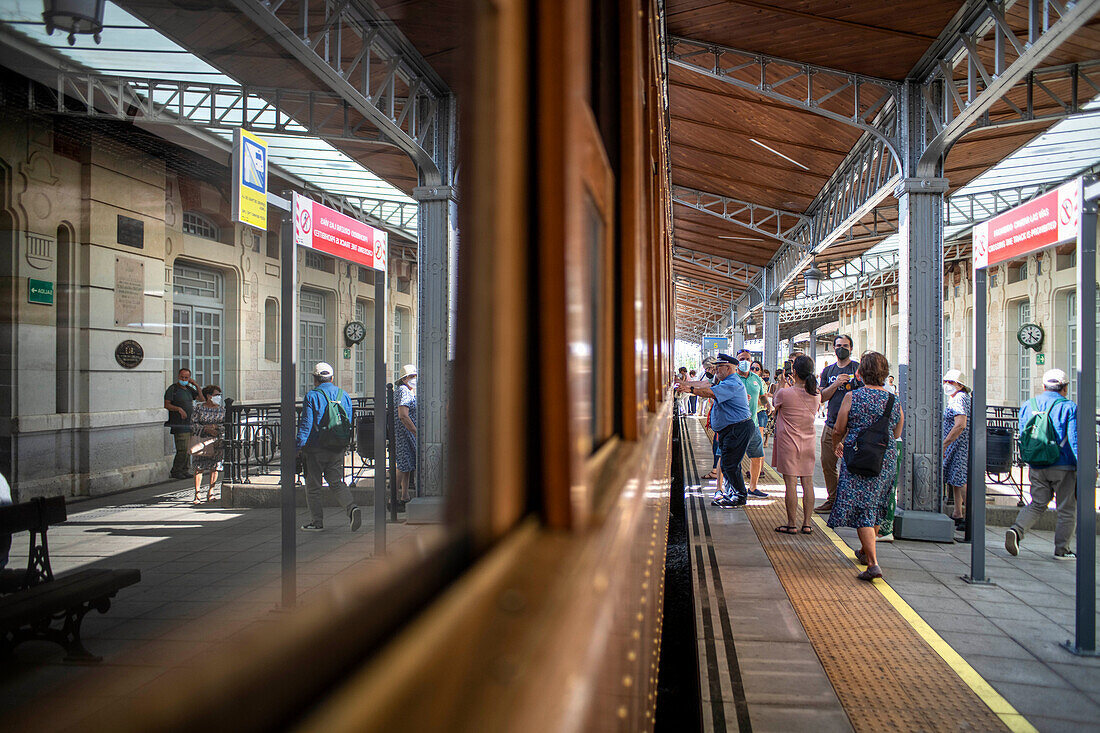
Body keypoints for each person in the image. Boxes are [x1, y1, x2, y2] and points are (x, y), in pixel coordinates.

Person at [828, 351, 903, 581]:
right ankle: (864, 551)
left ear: (859, 373)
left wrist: (837, 445)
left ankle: (873, 563)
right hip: (886, 458)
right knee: (877, 503)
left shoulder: (853, 397)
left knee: (863, 509)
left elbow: (839, 428)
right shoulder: (893, 399)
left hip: (859, 456)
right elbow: (897, 431)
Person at [1005, 369, 1079, 560]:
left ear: (1044, 386)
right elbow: (1074, 439)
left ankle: (1017, 530)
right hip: (1063, 465)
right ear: (1064, 388)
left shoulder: (1029, 404)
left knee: (1038, 503)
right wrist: (1084, 465)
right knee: (1066, 509)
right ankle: (1062, 550)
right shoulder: (1069, 407)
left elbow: (1023, 433)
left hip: (1037, 464)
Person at [678, 354, 756, 508]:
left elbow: (710, 392)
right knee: (730, 463)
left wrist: (689, 388)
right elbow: (708, 387)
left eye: (719, 367)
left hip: (738, 429)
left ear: (728, 368)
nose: (715, 370)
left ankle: (740, 496)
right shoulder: (725, 381)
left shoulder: (732, 383)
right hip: (732, 429)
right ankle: (731, 494)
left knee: (730, 464)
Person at [296, 362, 361, 532]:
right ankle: (352, 508)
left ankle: (316, 522)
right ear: (332, 378)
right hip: (337, 446)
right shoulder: (344, 395)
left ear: (315, 379)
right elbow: (347, 421)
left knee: (313, 486)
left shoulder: (312, 396)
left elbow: (306, 424)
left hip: (316, 448)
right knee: (337, 482)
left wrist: (298, 446)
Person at [771, 355, 820, 535]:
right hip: (808, 442)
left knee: (790, 483)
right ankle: (807, 524)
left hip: (788, 443)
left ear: (794, 372)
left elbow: (774, 405)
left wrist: (781, 383)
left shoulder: (786, 392)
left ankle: (791, 524)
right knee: (807, 482)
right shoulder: (816, 395)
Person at [815, 335, 862, 514]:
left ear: (851, 348)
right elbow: (822, 396)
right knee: (828, 462)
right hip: (831, 423)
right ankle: (833, 499)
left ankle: (851, 502)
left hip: (854, 426)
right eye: (838, 345)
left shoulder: (858, 368)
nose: (841, 348)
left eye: (845, 346)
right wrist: (836, 384)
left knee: (852, 465)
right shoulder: (828, 371)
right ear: (833, 348)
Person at [736, 349, 769, 498]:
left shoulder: (756, 379)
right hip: (735, 425)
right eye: (742, 358)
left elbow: (762, 396)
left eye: (748, 359)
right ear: (737, 361)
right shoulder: (732, 379)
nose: (745, 361)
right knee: (733, 458)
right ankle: (731, 488)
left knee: (757, 456)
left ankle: (753, 487)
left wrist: (768, 405)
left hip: (753, 424)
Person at [941, 369, 971, 529]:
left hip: (958, 445)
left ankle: (970, 515)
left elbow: (960, 424)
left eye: (951, 382)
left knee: (960, 480)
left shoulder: (959, 399)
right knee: (956, 480)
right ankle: (958, 512)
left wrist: (945, 443)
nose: (947, 385)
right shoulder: (959, 398)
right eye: (946, 381)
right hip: (956, 444)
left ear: (960, 385)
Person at [189, 385, 225, 505]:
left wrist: (216, 428)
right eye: (216, 395)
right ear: (209, 396)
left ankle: (211, 492)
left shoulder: (221, 409)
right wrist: (205, 429)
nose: (218, 397)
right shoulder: (199, 408)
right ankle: (197, 493)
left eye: (219, 395)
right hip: (202, 440)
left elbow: (226, 424)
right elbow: (193, 424)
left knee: (214, 466)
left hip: (216, 440)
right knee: (199, 467)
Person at [164, 367, 200, 479]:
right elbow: (167, 404)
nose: (183, 379)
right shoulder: (173, 389)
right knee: (182, 449)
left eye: (186, 377)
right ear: (178, 377)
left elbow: (202, 398)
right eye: (182, 377)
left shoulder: (189, 389)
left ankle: (185, 469)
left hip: (190, 424)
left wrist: (196, 385)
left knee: (188, 449)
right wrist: (178, 409)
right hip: (179, 424)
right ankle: (176, 470)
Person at [394, 364, 418, 509]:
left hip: (407, 432)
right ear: (404, 379)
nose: (414, 379)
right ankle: (394, 498)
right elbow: (403, 415)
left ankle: (404, 496)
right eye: (411, 376)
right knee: (403, 465)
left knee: (407, 465)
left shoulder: (406, 390)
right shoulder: (404, 391)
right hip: (405, 433)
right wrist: (415, 431)